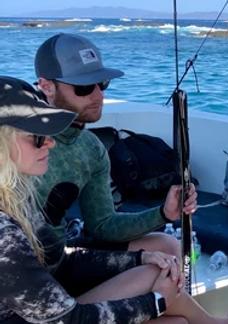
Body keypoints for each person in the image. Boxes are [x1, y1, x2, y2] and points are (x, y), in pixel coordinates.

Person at [0, 76, 228, 323]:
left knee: (162, 282)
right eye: (37, 136)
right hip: (52, 316)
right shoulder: (4, 233)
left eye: (102, 85)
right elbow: (68, 320)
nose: (50, 143)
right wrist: (157, 301)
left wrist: (141, 255)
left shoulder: (18, 197)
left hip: (49, 298)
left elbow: (63, 261)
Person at [33, 33, 192, 259]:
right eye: (85, 86)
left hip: (60, 259)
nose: (99, 95)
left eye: (102, 83)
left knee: (167, 246)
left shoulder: (91, 148)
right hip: (19, 266)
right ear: (47, 87)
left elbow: (103, 224)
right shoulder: (17, 138)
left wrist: (164, 213)